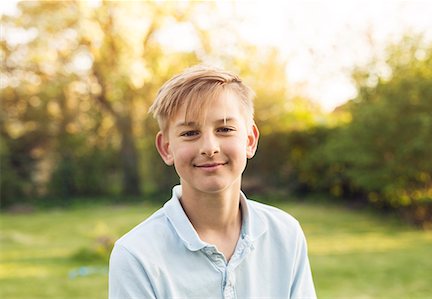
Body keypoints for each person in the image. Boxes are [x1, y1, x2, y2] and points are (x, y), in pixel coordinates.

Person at [108, 65, 316, 299]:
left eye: (225, 129)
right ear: (167, 148)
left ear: (249, 140)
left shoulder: (286, 235)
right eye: (189, 133)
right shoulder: (136, 255)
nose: (209, 148)